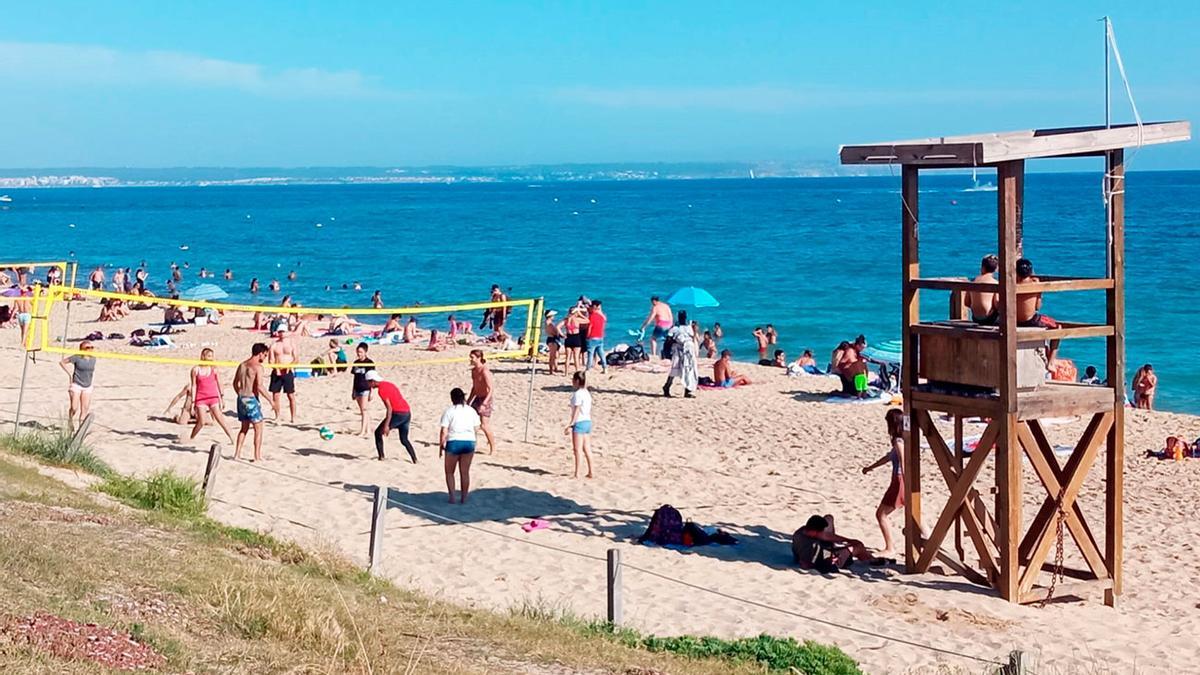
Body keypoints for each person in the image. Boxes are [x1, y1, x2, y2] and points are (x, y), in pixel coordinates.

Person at [862, 409, 906, 557]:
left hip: (900, 480)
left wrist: (905, 481)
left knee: (881, 515)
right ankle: (929, 541)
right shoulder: (905, 439)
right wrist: (871, 467)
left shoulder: (898, 441)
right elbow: (888, 458)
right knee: (914, 513)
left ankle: (890, 547)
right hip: (904, 480)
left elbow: (902, 460)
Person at [791, 514, 887, 572]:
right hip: (827, 560)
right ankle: (870, 560)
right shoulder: (811, 546)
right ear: (815, 532)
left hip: (822, 549)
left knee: (828, 518)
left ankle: (869, 557)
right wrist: (832, 559)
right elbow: (807, 564)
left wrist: (846, 540)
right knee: (858, 546)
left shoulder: (799, 532)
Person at [233, 343, 276, 462]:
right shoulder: (257, 367)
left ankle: (237, 454)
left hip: (241, 398)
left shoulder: (242, 365)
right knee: (258, 428)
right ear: (260, 353)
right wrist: (271, 401)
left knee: (244, 428)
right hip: (251, 399)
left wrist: (240, 394)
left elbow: (235, 383)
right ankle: (257, 456)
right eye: (265, 355)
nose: (265, 358)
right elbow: (260, 386)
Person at [440, 387, 481, 503]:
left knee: (449, 472)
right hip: (469, 442)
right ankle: (464, 497)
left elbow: (444, 431)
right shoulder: (471, 411)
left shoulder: (449, 411)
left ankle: (452, 497)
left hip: (454, 442)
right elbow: (477, 427)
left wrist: (441, 445)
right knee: (465, 472)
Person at [365, 371, 417, 462]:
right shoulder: (389, 384)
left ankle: (381, 456)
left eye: (368, 382)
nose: (368, 384)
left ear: (373, 381)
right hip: (407, 412)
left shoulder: (381, 390)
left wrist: (387, 425)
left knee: (378, 432)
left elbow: (389, 409)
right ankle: (414, 459)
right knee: (404, 439)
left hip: (398, 414)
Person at [188, 348, 234, 443]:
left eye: (212, 356)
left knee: (220, 419)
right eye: (209, 356)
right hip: (201, 398)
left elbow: (219, 383)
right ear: (203, 356)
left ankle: (232, 438)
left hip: (213, 397)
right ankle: (191, 438)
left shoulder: (214, 369)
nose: (211, 358)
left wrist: (222, 397)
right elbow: (193, 386)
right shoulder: (195, 370)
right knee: (201, 422)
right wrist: (193, 402)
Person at [564, 371, 595, 478]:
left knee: (577, 450)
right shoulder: (587, 392)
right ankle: (591, 471)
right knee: (587, 448)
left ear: (577, 381)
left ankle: (577, 473)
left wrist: (571, 424)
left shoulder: (578, 394)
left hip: (580, 422)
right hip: (587, 421)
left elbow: (577, 410)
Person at [60, 341, 97, 428]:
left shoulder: (93, 358)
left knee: (84, 409)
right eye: (88, 348)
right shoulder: (77, 357)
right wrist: (69, 374)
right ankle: (70, 418)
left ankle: (80, 428)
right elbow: (62, 362)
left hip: (87, 386)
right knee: (74, 407)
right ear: (82, 349)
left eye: (92, 347)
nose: (90, 349)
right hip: (76, 384)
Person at [467, 349, 497, 454]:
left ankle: (493, 448)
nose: (470, 359)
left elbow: (491, 389)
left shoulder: (484, 371)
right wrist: (468, 401)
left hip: (485, 399)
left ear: (479, 358)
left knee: (484, 425)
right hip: (477, 398)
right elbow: (474, 387)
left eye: (472, 357)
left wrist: (484, 403)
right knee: (472, 423)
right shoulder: (473, 371)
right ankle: (472, 446)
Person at [664, 310, 699, 397]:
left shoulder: (687, 327)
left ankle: (687, 390)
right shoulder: (678, 328)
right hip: (680, 350)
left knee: (688, 369)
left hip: (687, 350)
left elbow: (668, 340)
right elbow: (669, 339)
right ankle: (667, 386)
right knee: (677, 369)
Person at [268, 327, 298, 422]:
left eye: (283, 331)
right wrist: (276, 368)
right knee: (275, 395)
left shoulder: (292, 344)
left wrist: (290, 366)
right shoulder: (274, 345)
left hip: (288, 371)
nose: (281, 333)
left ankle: (293, 417)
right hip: (277, 371)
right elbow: (271, 360)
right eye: (280, 331)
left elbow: (296, 358)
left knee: (290, 395)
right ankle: (277, 416)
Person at [350, 343, 375, 436]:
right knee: (363, 410)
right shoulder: (356, 363)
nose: (359, 353)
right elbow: (355, 377)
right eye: (358, 352)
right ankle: (368, 429)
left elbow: (372, 378)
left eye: (360, 352)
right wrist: (353, 391)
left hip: (366, 389)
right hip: (357, 388)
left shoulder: (369, 363)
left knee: (364, 409)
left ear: (365, 352)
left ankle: (363, 431)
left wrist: (371, 392)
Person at [968, 254, 1000, 322]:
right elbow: (996, 304)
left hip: (975, 318)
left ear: (982, 267)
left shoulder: (973, 281)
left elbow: (966, 302)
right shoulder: (995, 283)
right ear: (996, 269)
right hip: (989, 318)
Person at [584, 300, 608, 374]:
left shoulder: (592, 316)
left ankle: (588, 369)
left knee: (590, 354)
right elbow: (604, 319)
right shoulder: (602, 316)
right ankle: (605, 368)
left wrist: (587, 336)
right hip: (600, 336)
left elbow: (590, 327)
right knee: (601, 353)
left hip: (592, 337)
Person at [563, 306, 585, 372]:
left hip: (568, 337)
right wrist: (581, 315)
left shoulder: (566, 320)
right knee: (576, 357)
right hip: (576, 338)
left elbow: (558, 326)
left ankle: (566, 373)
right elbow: (587, 320)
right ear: (575, 312)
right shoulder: (577, 319)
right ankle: (577, 371)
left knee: (567, 357)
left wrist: (562, 334)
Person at [543, 309, 563, 375]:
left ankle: (555, 368)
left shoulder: (547, 322)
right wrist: (559, 334)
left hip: (552, 339)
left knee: (555, 355)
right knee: (552, 356)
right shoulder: (549, 323)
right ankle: (551, 370)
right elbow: (554, 332)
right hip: (552, 339)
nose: (554, 316)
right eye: (553, 315)